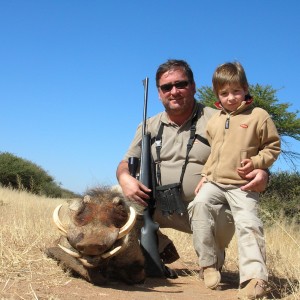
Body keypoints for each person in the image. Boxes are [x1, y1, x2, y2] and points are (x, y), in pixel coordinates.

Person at [116, 59, 269, 280]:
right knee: (117, 202)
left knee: (211, 214)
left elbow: (254, 150)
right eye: (166, 87)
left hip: (207, 209)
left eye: (181, 84)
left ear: (194, 86)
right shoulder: (147, 125)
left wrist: (263, 172)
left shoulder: (218, 118)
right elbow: (126, 162)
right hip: (160, 207)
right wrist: (124, 178)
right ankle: (156, 247)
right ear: (159, 93)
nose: (174, 91)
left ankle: (212, 257)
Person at [190, 61, 281, 299]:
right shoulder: (215, 120)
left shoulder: (258, 116)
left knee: (248, 222)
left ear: (246, 88)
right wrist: (205, 175)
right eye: (224, 93)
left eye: (236, 91)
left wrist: (258, 163)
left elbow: (272, 147)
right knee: (198, 205)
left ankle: (254, 279)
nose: (231, 98)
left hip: (242, 185)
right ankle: (208, 265)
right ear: (217, 94)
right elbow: (214, 153)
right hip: (215, 182)